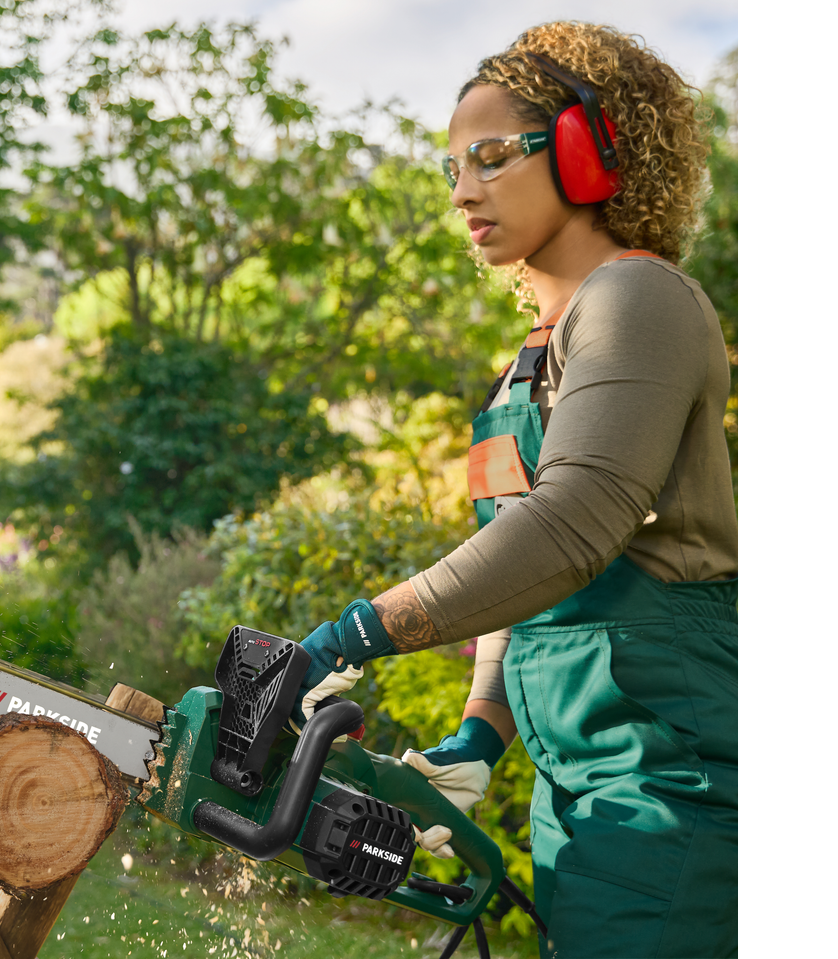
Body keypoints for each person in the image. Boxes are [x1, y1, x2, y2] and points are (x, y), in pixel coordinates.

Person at [289, 22, 737, 959]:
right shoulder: (529, 360)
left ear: (586, 148)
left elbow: (575, 523)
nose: (462, 192)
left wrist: (357, 632)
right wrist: (477, 738)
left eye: (491, 157)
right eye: (453, 166)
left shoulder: (637, 301)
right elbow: (522, 572)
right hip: (577, 787)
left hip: (669, 774)